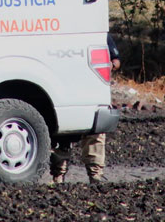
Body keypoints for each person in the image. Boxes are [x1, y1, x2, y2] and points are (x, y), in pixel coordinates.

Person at [51, 34, 120, 184]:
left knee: (95, 132)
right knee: (61, 134)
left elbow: (116, 60)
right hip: (65, 89)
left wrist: (110, 65)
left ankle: (95, 176)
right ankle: (58, 176)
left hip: (92, 88)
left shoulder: (99, 34)